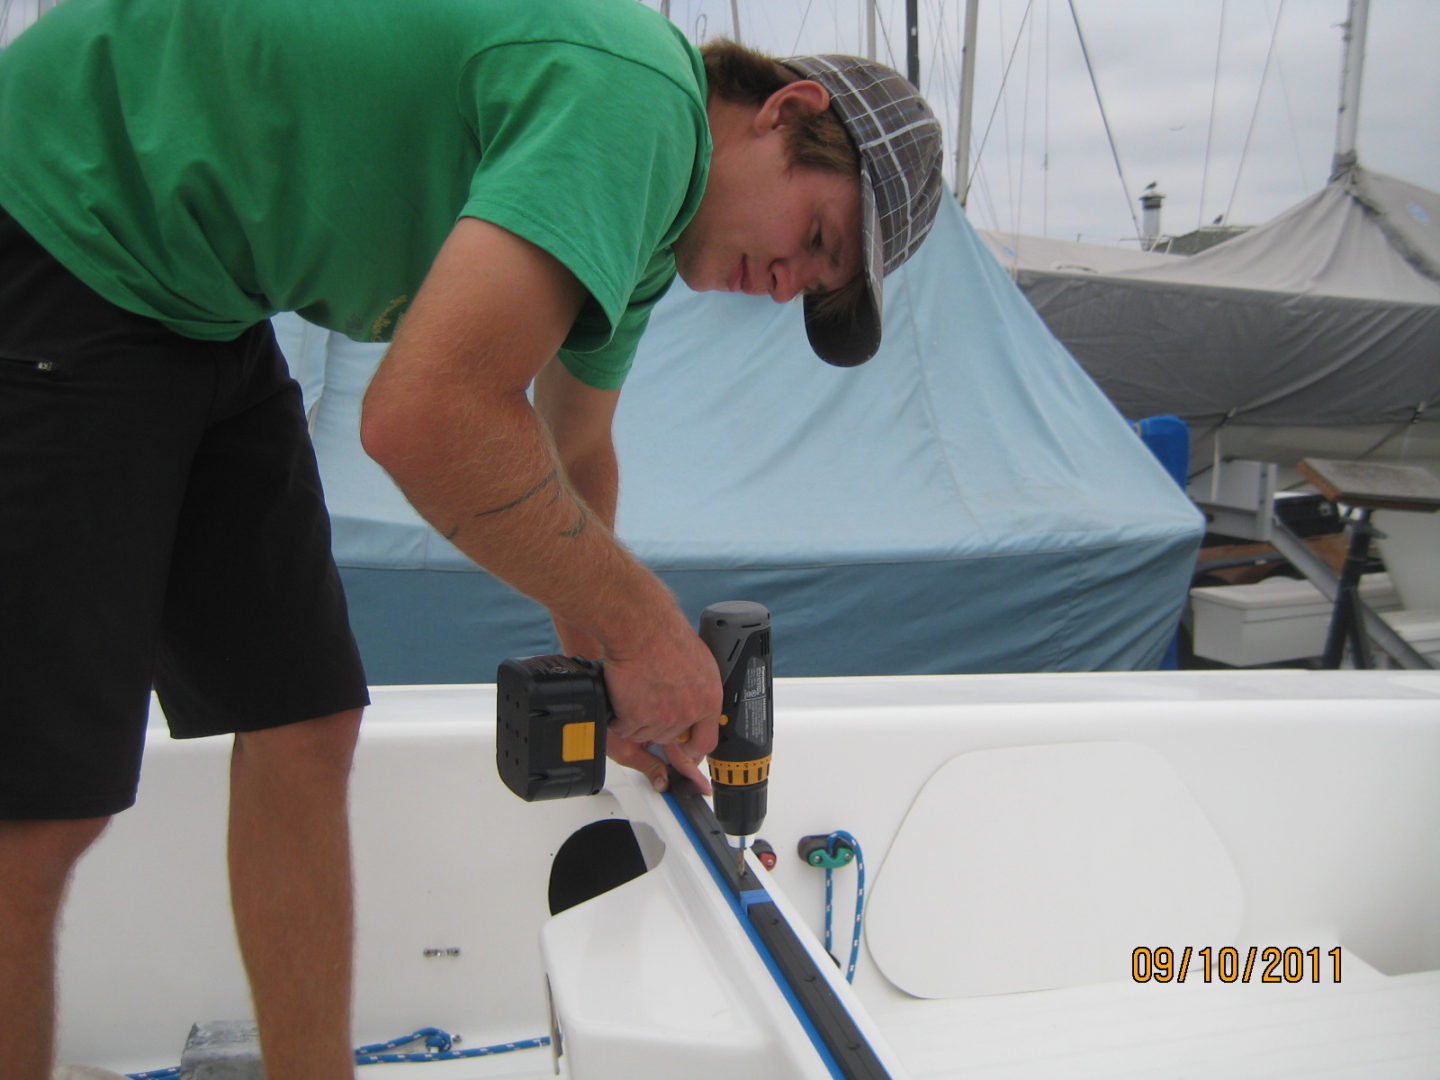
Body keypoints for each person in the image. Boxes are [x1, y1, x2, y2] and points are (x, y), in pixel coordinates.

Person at [0, 0, 943, 1076]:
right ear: (787, 108)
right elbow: (427, 416)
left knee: (305, 728)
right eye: (814, 238)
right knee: (37, 813)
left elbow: (575, 448)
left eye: (811, 289)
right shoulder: (638, 101)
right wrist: (647, 636)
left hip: (198, 300)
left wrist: (609, 669)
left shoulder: (646, 231)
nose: (783, 284)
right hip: (61, 207)